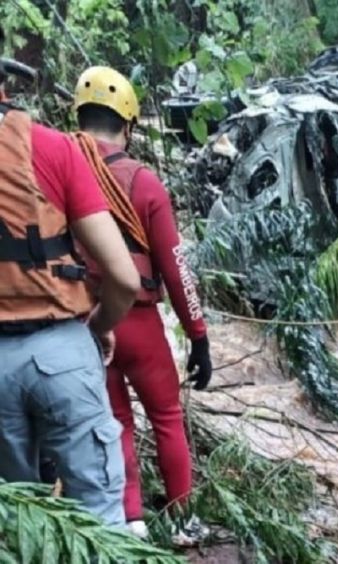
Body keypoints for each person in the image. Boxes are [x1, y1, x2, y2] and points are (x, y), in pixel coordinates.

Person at [0, 28, 140, 528]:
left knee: (21, 525)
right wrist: (99, 325)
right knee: (99, 518)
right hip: (60, 351)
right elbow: (123, 277)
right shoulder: (53, 149)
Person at [72, 66, 213, 543]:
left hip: (86, 322)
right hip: (139, 320)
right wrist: (198, 336)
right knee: (167, 417)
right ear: (128, 125)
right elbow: (175, 266)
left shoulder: (61, 167)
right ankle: (180, 519)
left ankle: (130, 521)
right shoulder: (142, 181)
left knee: (115, 422)